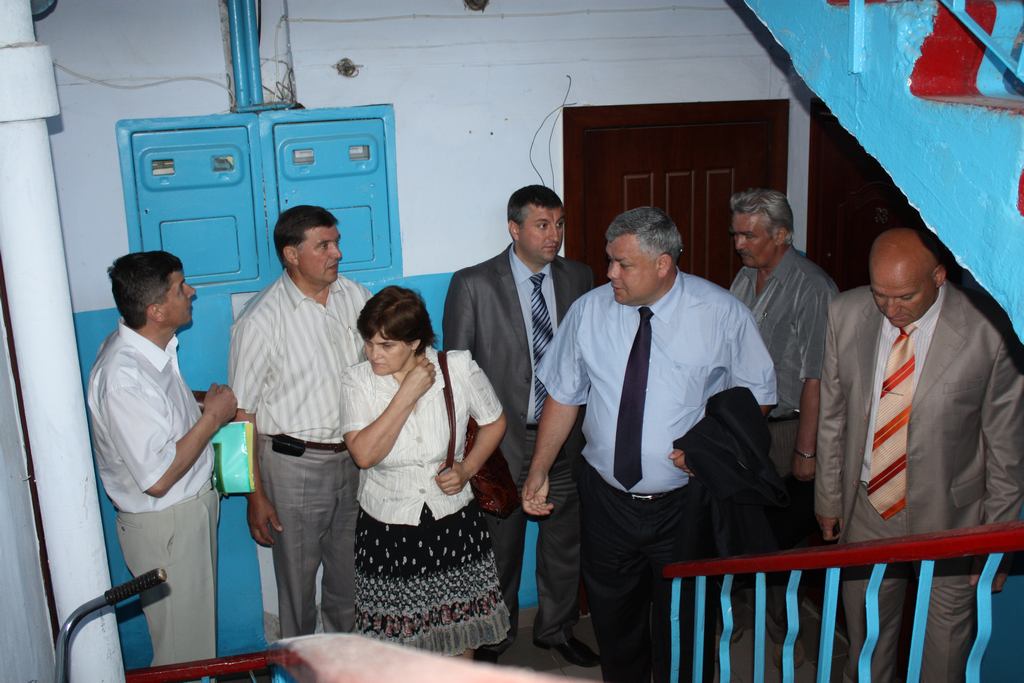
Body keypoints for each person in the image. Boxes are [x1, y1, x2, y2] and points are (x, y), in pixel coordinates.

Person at [522, 207, 777, 682]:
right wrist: (540, 467)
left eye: (623, 264)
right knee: (614, 621)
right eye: (609, 261)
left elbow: (757, 395)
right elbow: (564, 394)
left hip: (685, 504)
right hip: (606, 502)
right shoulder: (589, 312)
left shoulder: (720, 313)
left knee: (686, 623)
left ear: (663, 264)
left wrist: (713, 447)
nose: (610, 273)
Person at [815, 228, 1024, 682]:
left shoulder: (990, 328)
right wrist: (828, 497)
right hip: (867, 508)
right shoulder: (845, 313)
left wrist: (997, 543)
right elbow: (833, 415)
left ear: (939, 276)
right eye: (880, 294)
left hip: (954, 518)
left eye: (905, 296)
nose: (890, 309)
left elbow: (1006, 449)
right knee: (866, 645)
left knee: (945, 654)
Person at [442, 185, 596, 666]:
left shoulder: (579, 277)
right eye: (542, 225)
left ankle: (556, 629)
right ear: (514, 228)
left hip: (565, 440)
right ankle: (494, 637)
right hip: (502, 444)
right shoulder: (473, 283)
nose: (555, 235)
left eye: (559, 224)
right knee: (499, 549)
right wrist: (463, 454)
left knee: (564, 542)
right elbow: (457, 373)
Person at [340, 286, 511, 656]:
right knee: (399, 646)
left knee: (460, 633)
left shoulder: (457, 367)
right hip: (387, 526)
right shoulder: (358, 381)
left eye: (386, 345)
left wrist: (467, 469)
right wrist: (408, 393)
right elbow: (364, 455)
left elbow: (495, 421)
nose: (372, 353)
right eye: (368, 342)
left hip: (454, 521)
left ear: (415, 343)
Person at [88, 251, 237, 665]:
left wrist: (202, 405)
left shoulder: (150, 350)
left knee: (194, 644)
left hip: (184, 515)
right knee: (182, 654)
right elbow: (157, 478)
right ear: (155, 310)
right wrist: (213, 417)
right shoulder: (124, 375)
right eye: (179, 287)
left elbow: (161, 420)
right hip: (167, 524)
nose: (191, 291)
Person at [228, 205, 371, 638]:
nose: (337, 253)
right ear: (291, 255)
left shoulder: (355, 297)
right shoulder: (260, 320)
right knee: (296, 587)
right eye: (324, 246)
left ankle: (346, 662)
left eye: (336, 243)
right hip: (293, 467)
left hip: (354, 459)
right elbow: (240, 417)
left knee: (350, 580)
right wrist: (253, 496)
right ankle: (299, 663)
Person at [728, 188, 837, 663]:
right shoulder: (746, 275)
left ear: (782, 234)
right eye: (735, 233)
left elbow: (818, 377)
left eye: (749, 235)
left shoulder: (812, 286)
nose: (739, 243)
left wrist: (806, 451)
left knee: (777, 539)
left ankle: (781, 632)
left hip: (787, 430)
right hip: (743, 428)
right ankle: (741, 615)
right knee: (739, 529)